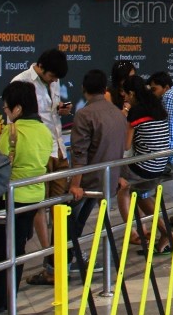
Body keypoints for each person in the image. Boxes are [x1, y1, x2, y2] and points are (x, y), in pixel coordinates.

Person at [30, 69, 127, 285]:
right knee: (76, 222)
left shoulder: (85, 114)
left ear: (84, 89)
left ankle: (55, 269)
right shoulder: (117, 113)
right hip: (107, 179)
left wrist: (75, 184)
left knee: (65, 223)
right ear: (105, 89)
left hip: (88, 181)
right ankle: (65, 260)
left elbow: (80, 153)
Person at [0, 81, 52, 314]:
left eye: (6, 109)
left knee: (1, 251)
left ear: (18, 109)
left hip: (9, 197)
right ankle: (8, 294)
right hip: (34, 196)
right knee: (18, 247)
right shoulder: (45, 131)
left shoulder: (11, 131)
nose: (5, 113)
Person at [15, 48, 72, 285]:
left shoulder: (54, 82)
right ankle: (49, 258)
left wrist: (60, 111)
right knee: (40, 204)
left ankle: (58, 258)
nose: (55, 81)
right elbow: (16, 120)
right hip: (39, 151)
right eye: (52, 77)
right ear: (41, 67)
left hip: (58, 147)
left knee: (60, 205)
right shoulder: (21, 83)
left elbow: (51, 113)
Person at [116, 74, 172, 254]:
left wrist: (124, 116)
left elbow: (125, 144)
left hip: (144, 167)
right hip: (160, 164)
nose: (123, 97)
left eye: (125, 94)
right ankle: (163, 232)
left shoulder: (136, 112)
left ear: (132, 93)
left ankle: (136, 232)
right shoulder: (158, 107)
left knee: (119, 182)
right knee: (140, 194)